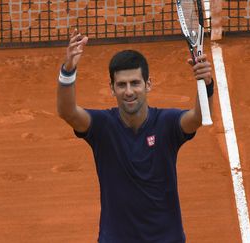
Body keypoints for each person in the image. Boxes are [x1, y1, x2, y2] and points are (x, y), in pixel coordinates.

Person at [57, 29, 214, 243]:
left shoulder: (166, 123)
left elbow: (197, 117)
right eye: (121, 84)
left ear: (148, 84)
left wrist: (206, 85)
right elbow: (68, 112)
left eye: (135, 83)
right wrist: (68, 71)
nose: (129, 91)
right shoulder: (103, 127)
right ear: (112, 88)